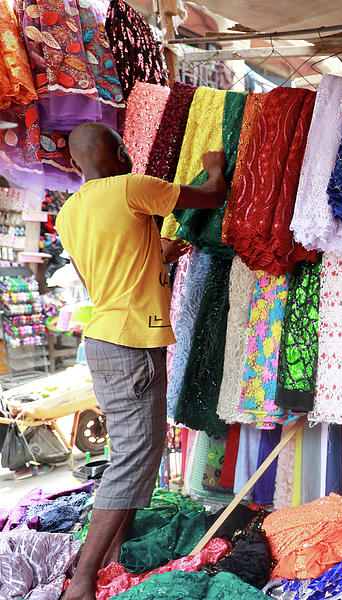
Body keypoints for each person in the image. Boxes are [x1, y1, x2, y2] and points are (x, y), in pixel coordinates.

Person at [56, 122, 228, 600]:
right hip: (130, 342)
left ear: (74, 163)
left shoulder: (69, 213)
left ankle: (114, 552)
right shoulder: (132, 187)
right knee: (134, 457)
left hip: (104, 338)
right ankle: (84, 579)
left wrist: (161, 255)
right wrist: (214, 168)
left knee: (138, 451)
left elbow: (106, 272)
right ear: (119, 154)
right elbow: (212, 196)